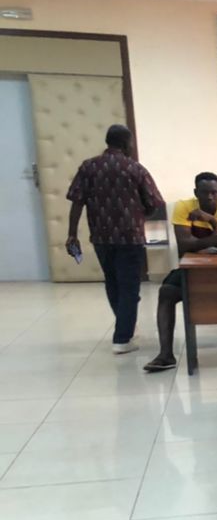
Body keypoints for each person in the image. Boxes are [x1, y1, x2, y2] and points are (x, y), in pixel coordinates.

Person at [144, 172, 217, 372]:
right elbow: (183, 245)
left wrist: (212, 221)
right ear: (195, 192)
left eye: (214, 193)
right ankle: (165, 355)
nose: (210, 197)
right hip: (194, 269)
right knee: (166, 292)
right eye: (205, 193)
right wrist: (213, 240)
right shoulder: (184, 207)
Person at [65, 124, 164, 354]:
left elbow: (77, 202)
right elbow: (154, 203)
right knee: (129, 287)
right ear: (127, 143)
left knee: (113, 282)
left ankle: (125, 325)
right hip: (130, 237)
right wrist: (140, 215)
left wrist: (72, 234)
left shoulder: (88, 167)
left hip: (101, 237)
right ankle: (122, 338)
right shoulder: (135, 169)